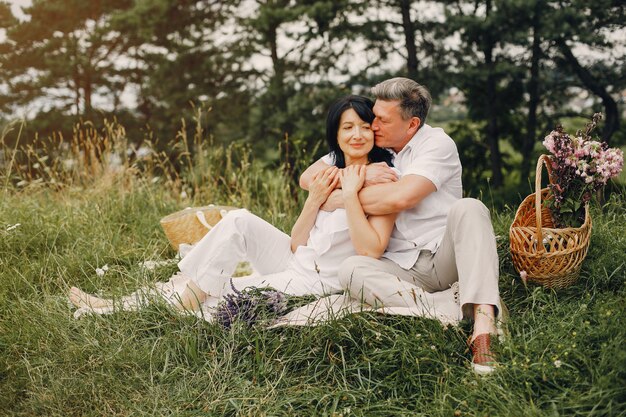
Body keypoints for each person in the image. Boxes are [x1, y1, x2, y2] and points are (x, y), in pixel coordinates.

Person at [69, 95, 398, 315]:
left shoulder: (385, 177)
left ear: (375, 132)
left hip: (320, 280)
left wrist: (356, 188)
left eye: (366, 127)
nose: (358, 135)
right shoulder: (329, 170)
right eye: (348, 127)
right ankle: (142, 302)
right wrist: (315, 200)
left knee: (221, 292)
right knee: (239, 220)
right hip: (295, 261)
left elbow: (372, 247)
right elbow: (298, 243)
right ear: (335, 134)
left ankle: (119, 308)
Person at [300, 78, 503, 375]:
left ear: (412, 125)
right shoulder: (379, 151)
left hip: (443, 257)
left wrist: (336, 198)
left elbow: (400, 197)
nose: (372, 126)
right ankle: (442, 308)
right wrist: (357, 182)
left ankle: (484, 326)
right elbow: (308, 178)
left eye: (381, 120)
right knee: (351, 269)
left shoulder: (436, 144)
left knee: (470, 207)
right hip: (400, 266)